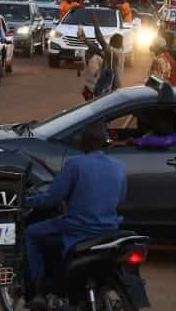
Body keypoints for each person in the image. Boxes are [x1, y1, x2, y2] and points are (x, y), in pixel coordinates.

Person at [24, 122, 125, 307]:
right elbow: (120, 197)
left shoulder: (75, 164)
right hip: (109, 230)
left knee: (31, 233)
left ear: (83, 142)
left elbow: (51, 199)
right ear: (103, 142)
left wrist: (29, 200)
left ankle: (38, 293)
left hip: (78, 229)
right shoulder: (117, 166)